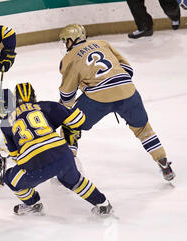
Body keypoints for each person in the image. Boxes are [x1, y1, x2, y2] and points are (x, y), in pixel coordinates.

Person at [58, 23, 175, 181]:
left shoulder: (69, 58)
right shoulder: (103, 44)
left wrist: (66, 107)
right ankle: (164, 163)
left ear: (72, 40)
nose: (66, 44)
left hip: (98, 98)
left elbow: (67, 95)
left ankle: (67, 169)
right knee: (142, 128)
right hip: (128, 91)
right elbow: (128, 69)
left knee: (69, 125)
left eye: (66, 41)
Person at [0, 82, 113, 216]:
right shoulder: (46, 106)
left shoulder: (6, 122)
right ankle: (103, 204)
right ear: (34, 97)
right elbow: (77, 120)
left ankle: (33, 204)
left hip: (35, 163)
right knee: (74, 181)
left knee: (9, 178)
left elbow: (15, 156)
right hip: (62, 154)